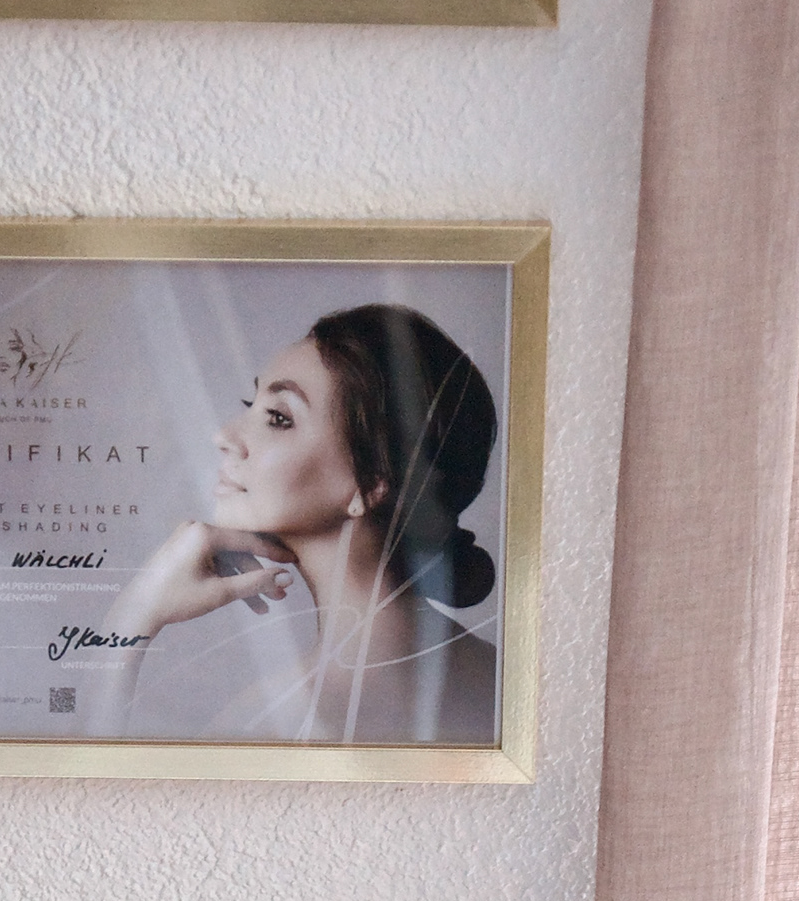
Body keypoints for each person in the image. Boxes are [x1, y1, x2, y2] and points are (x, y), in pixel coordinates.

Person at [95, 303, 499, 743]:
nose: (224, 436)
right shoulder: (501, 682)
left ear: (370, 485)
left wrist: (131, 618)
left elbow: (85, 786)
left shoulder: (273, 721)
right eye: (251, 405)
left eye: (278, 418)